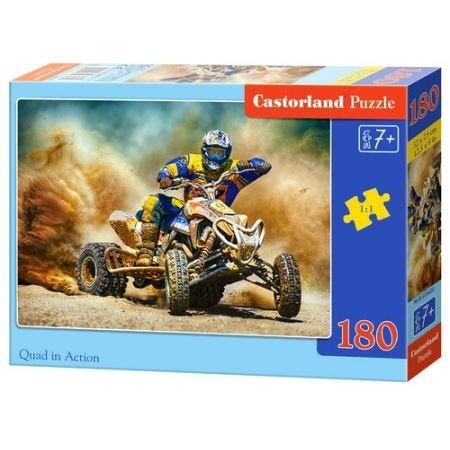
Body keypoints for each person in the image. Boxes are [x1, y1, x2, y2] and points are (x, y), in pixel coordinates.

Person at [134, 129, 271, 266]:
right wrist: (165, 177)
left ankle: (248, 257)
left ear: (227, 153)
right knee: (154, 201)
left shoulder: (235, 168)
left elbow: (261, 165)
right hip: (189, 210)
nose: (215, 157)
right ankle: (146, 251)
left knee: (241, 222)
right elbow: (172, 167)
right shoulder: (193, 162)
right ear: (204, 150)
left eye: (220, 153)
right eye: (212, 152)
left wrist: (252, 164)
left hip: (221, 216)